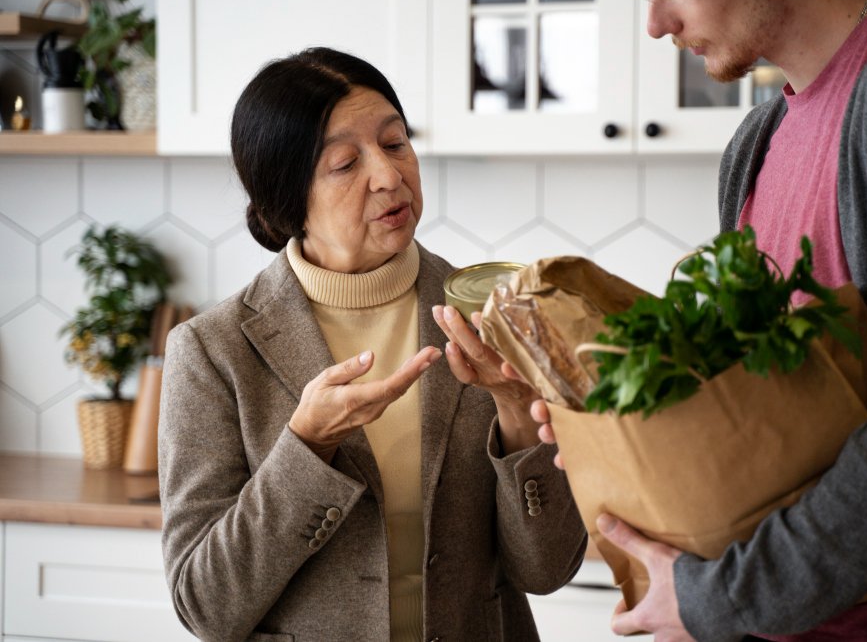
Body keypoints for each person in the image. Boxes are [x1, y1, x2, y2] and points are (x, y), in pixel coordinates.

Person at [530, 0, 867, 640]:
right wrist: (630, 433)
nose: (656, 24)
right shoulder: (755, 142)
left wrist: (721, 596)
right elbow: (764, 412)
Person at [158, 47, 586, 642]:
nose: (389, 176)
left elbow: (547, 571)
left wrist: (517, 409)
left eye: (395, 143)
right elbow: (207, 609)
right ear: (288, 196)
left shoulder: (497, 314)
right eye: (344, 163)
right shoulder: (212, 352)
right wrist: (307, 446)